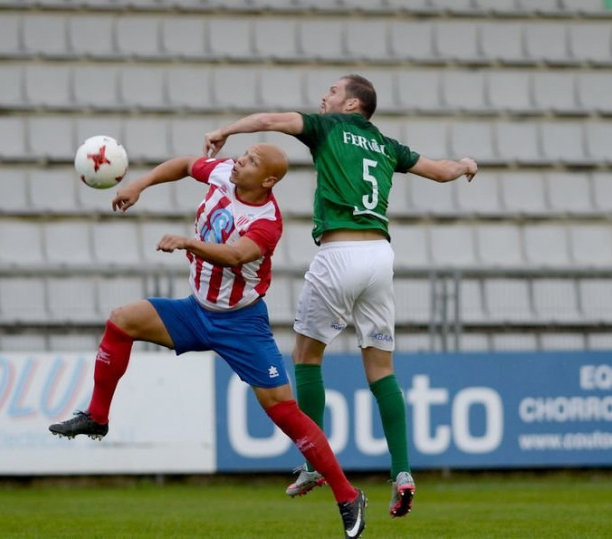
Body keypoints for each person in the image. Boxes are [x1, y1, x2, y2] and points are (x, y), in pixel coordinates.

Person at [49, 143, 368, 538]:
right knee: (121, 322)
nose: (239, 162)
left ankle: (348, 496)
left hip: (241, 323)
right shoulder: (222, 173)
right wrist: (140, 185)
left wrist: (188, 243)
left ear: (268, 180)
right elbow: (184, 164)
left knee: (284, 411)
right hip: (196, 311)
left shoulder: (267, 221)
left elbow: (235, 256)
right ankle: (97, 417)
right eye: (243, 155)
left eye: (250, 162)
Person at [204, 74, 478, 518]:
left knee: (308, 357)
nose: (323, 97)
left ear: (352, 105)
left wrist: (227, 130)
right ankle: (403, 472)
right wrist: (465, 163)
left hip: (339, 251)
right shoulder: (388, 146)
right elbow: (442, 172)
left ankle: (314, 463)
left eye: (332, 92)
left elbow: (271, 120)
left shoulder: (327, 127)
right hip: (380, 256)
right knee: (382, 368)